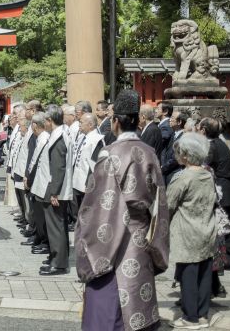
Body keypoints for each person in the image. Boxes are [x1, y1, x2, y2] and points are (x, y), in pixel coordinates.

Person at [76, 89, 169, 331]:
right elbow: (160, 200)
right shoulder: (150, 152)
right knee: (137, 291)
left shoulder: (110, 154)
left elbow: (97, 206)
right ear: (137, 120)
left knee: (109, 298)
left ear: (115, 121)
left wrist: (84, 237)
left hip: (111, 237)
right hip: (140, 235)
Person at [167, 133, 219, 329]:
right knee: (205, 272)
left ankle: (191, 317)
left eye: (179, 152)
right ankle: (203, 314)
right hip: (207, 227)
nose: (177, 155)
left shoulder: (182, 177)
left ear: (186, 155)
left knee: (188, 274)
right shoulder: (208, 173)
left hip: (187, 230)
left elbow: (169, 204)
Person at [31, 105, 73, 275]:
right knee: (58, 225)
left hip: (56, 188)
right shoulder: (61, 134)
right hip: (58, 186)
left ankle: (59, 263)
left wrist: (54, 191)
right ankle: (58, 258)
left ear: (49, 121)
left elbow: (58, 167)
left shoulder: (58, 137)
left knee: (55, 226)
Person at [201, 118, 230, 274]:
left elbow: (205, 166)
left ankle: (225, 261)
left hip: (221, 190)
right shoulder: (219, 143)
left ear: (203, 130)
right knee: (226, 227)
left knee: (222, 228)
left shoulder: (212, 146)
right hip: (227, 189)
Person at [23, 113, 51, 254]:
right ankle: (39, 237)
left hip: (42, 182)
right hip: (35, 181)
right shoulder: (39, 138)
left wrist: (29, 177)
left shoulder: (45, 139)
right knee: (37, 214)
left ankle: (45, 241)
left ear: (34, 125)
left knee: (41, 216)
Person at [71, 113, 104, 211]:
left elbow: (95, 165)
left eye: (81, 122)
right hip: (77, 180)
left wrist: (89, 183)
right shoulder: (82, 136)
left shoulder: (97, 139)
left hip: (86, 183)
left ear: (90, 125)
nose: (79, 124)